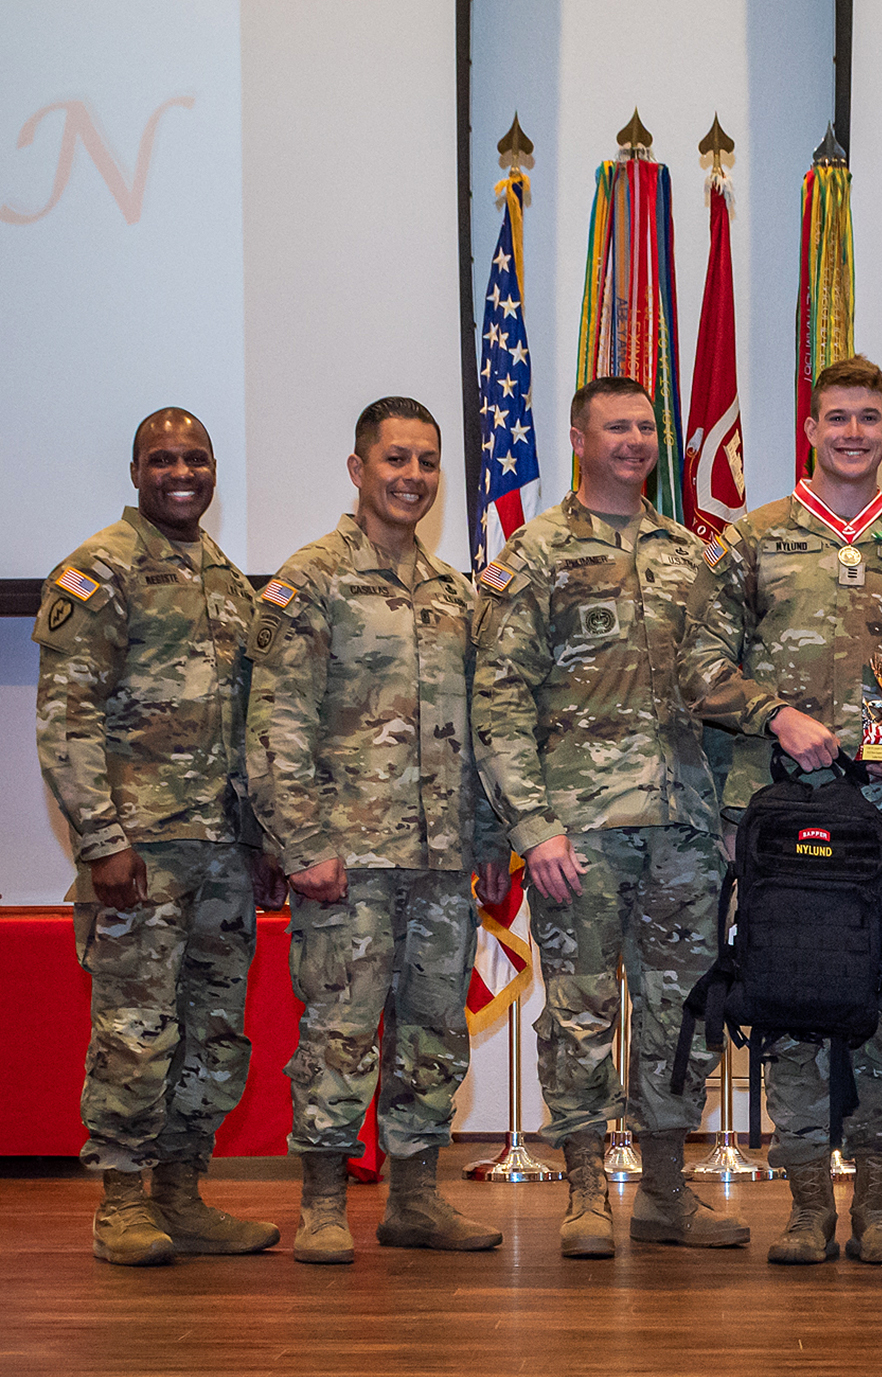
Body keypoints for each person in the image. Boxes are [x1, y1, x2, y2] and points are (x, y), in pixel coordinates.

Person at [684, 354, 882, 1267]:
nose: (852, 432)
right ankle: (805, 1207)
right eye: (836, 417)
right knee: (794, 996)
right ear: (810, 430)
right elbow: (698, 665)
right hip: (777, 812)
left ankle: (877, 1207)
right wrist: (776, 714)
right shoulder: (753, 540)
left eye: (868, 418)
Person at [474, 375, 747, 1258]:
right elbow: (500, 698)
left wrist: (727, 817)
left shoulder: (689, 556)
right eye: (615, 426)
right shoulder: (537, 552)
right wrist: (533, 829)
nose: (634, 439)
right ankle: (587, 1188)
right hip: (579, 832)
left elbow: (721, 690)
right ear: (579, 439)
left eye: (644, 426)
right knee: (583, 1011)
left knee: (680, 1012)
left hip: (683, 829)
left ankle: (667, 1191)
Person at [245, 397, 510, 1264]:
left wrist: (491, 841)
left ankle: (416, 1199)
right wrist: (301, 842)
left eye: (428, 462)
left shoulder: (451, 593)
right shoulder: (312, 579)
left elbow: (480, 729)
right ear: (358, 470)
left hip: (441, 861)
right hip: (348, 859)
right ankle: (324, 1202)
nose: (413, 478)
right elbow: (277, 723)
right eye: (396, 460)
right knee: (340, 1032)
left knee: (433, 1031)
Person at [35, 407, 284, 1266]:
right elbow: (65, 718)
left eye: (197, 458)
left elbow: (252, 726)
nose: (182, 471)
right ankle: (121, 1205)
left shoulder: (222, 577)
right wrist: (102, 842)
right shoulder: (101, 568)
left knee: (213, 1030)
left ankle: (182, 1195)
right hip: (141, 854)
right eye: (163, 458)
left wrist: (262, 842)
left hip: (220, 853)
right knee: (136, 1031)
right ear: (136, 472)